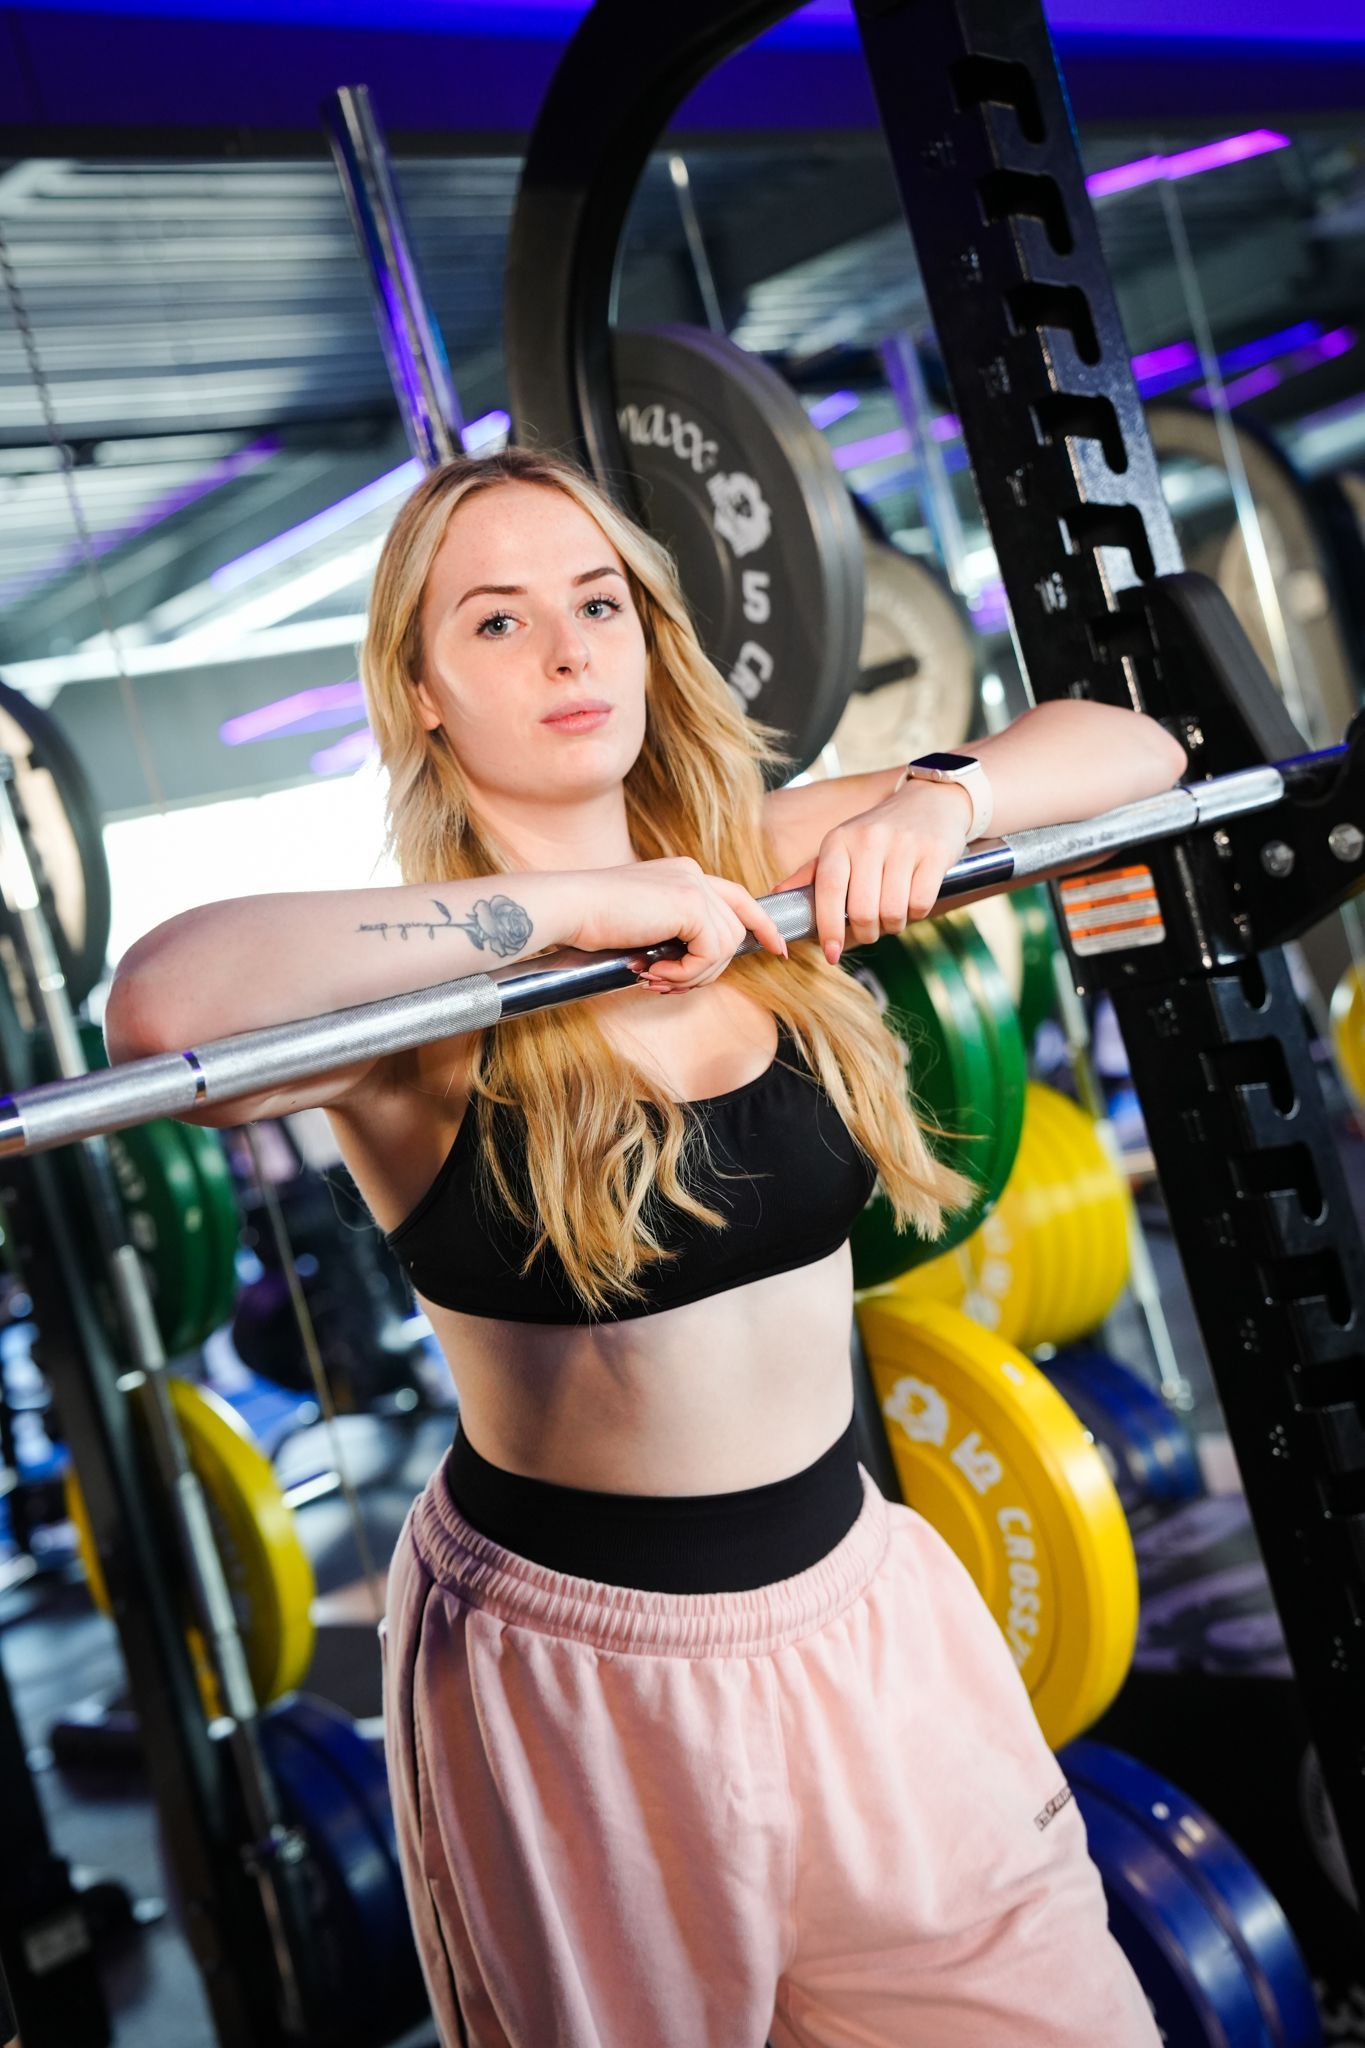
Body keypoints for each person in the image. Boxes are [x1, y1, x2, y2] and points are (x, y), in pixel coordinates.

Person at [108, 447, 1183, 2048]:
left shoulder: (756, 861)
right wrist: (557, 914)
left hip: (863, 1599)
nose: (565, 651)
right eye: (495, 622)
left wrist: (939, 797)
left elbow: (1136, 747)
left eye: (595, 602)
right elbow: (165, 1004)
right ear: (418, 692)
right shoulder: (419, 1014)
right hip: (580, 1669)